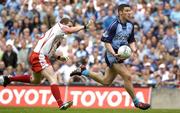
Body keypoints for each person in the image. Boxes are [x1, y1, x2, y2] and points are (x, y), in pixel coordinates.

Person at [0, 17, 94, 110]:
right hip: (40, 55)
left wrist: (59, 57)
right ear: (64, 24)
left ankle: (8, 79)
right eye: (69, 25)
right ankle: (60, 104)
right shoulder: (59, 27)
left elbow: (51, 53)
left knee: (35, 80)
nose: (70, 27)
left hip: (37, 55)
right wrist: (84, 26)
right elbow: (70, 30)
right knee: (53, 78)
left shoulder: (58, 36)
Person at [70, 4, 151, 110]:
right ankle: (137, 102)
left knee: (106, 81)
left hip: (120, 55)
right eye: (126, 11)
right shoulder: (114, 25)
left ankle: (83, 71)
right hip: (111, 54)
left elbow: (131, 40)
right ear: (120, 12)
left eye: (130, 11)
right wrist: (113, 53)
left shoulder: (131, 25)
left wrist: (134, 49)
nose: (129, 12)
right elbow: (106, 41)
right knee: (127, 76)